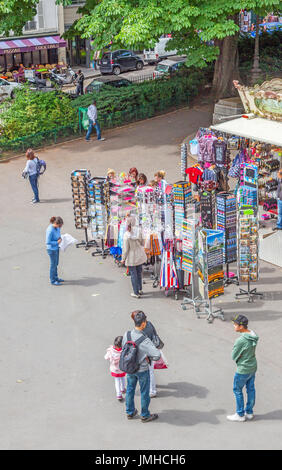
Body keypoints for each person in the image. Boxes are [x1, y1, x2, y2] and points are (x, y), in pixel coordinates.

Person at [123, 310, 160, 422]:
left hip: (129, 368)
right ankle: (145, 414)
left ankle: (130, 412)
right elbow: (157, 355)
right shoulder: (144, 340)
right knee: (144, 392)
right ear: (143, 323)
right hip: (142, 369)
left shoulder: (127, 334)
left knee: (130, 389)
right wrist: (147, 356)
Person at [227, 315, 259, 422]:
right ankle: (249, 412)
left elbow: (233, 356)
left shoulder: (240, 340)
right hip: (252, 366)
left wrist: (239, 357)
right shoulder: (253, 335)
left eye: (235, 324)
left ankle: (240, 414)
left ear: (241, 326)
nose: (234, 326)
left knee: (237, 390)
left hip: (243, 369)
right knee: (250, 389)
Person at [131, 310, 162, 398]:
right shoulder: (150, 324)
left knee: (150, 372)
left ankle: (152, 390)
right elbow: (155, 334)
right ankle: (153, 387)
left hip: (147, 354)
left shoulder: (141, 331)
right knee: (151, 371)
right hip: (153, 349)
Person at [121, 216, 147, 298]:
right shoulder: (139, 231)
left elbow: (125, 249)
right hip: (139, 254)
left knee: (133, 274)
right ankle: (140, 289)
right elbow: (143, 242)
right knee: (139, 272)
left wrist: (123, 259)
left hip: (131, 256)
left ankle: (136, 292)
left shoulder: (126, 235)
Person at [104, 336, 126, 402]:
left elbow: (106, 357)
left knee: (117, 381)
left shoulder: (111, 350)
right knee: (123, 378)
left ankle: (119, 394)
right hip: (122, 368)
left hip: (114, 369)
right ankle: (123, 389)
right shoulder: (124, 351)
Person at [46, 216, 64, 286]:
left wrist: (61, 238)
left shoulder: (57, 228)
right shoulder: (50, 230)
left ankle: (56, 277)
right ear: (56, 224)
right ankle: (52, 280)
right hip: (51, 249)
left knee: (56, 263)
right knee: (53, 265)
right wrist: (57, 242)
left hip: (56, 248)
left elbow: (58, 235)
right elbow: (48, 242)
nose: (60, 228)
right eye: (60, 226)